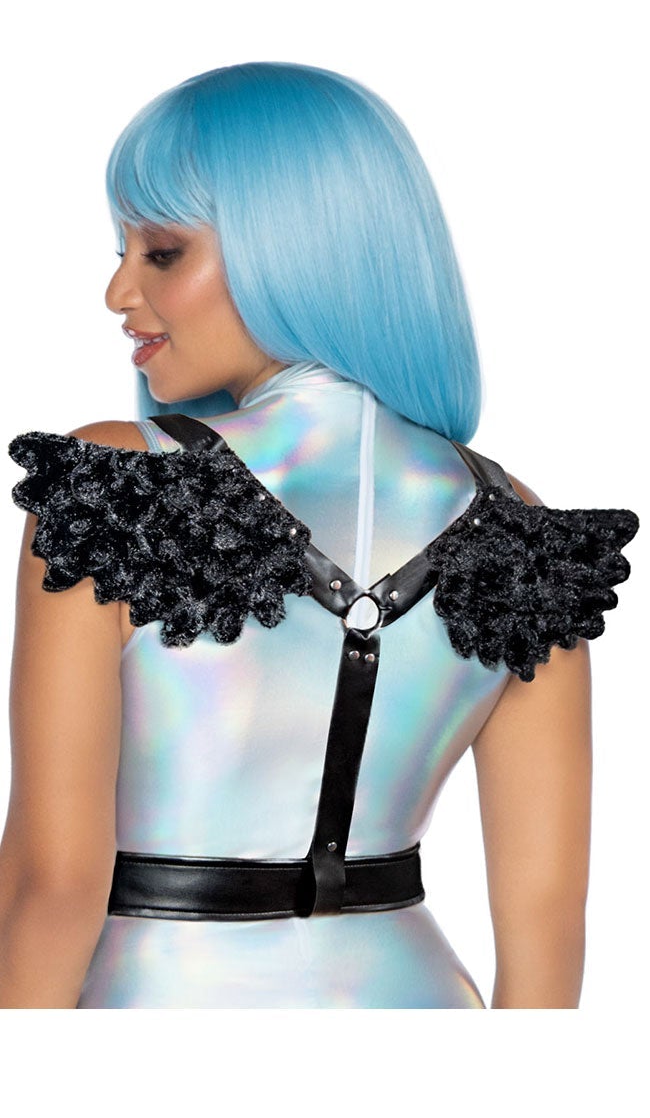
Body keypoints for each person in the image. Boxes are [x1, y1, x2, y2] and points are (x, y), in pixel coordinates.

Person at [0, 62, 638, 1009]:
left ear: (291, 251)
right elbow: (546, 931)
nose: (117, 291)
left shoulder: (118, 484)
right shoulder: (520, 526)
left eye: (162, 251)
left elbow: (51, 886)